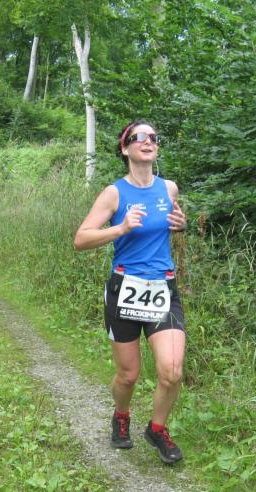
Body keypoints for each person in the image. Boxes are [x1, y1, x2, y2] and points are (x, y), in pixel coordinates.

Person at [73, 120, 188, 464]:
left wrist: (181, 226)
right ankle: (121, 416)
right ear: (125, 148)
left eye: (154, 137)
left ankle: (157, 428)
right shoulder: (114, 193)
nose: (148, 141)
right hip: (125, 289)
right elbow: (81, 239)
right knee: (128, 375)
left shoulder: (169, 189)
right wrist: (120, 228)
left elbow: (168, 226)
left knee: (172, 370)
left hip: (162, 288)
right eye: (139, 137)